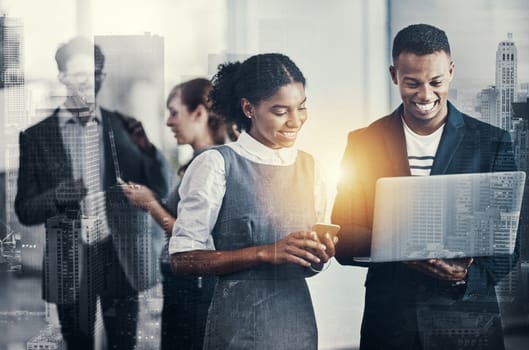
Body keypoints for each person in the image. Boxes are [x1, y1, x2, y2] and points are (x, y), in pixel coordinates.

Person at [332, 24, 518, 350]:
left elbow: (513, 245)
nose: (425, 95)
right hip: (390, 324)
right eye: (412, 83)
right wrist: (401, 242)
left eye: (436, 82)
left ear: (451, 71)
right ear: (394, 75)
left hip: (467, 324)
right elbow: (343, 237)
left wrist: (463, 275)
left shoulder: (491, 143)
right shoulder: (363, 143)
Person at [168, 53, 337, 350]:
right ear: (248, 108)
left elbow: (307, 267)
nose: (295, 121)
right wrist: (266, 253)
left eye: (302, 108)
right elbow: (183, 260)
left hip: (297, 327)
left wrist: (318, 256)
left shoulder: (312, 168)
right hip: (237, 330)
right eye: (280, 111)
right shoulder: (217, 164)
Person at [14, 36, 168, 350]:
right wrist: (57, 196)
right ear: (62, 78)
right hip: (67, 261)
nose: (90, 84)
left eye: (95, 75)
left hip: (122, 256)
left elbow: (160, 189)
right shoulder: (35, 137)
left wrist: (150, 153)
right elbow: (25, 210)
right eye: (80, 76)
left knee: (124, 344)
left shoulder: (127, 127)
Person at [122, 78, 233, 349]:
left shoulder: (209, 165)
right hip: (184, 285)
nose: (169, 122)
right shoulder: (199, 161)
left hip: (193, 288)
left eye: (174, 112)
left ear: (199, 113)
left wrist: (149, 203)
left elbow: (194, 236)